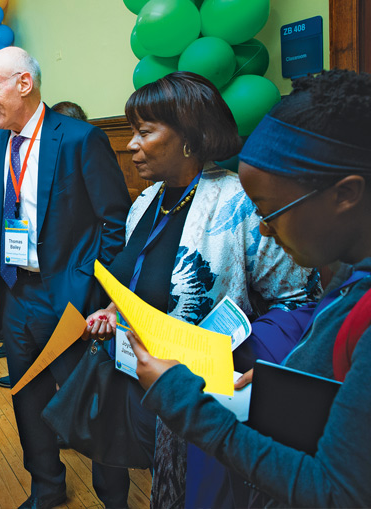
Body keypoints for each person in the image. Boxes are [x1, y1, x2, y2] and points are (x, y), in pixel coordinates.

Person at [124, 69, 371, 508]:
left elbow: (334, 490)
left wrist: (188, 397)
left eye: (270, 210)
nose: (263, 227)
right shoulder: (351, 289)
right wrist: (286, 379)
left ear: (346, 194)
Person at [84, 71, 320, 508]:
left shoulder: (239, 202)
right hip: (140, 385)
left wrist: (220, 351)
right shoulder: (145, 202)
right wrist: (113, 312)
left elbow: (299, 303)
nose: (131, 144)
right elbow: (139, 283)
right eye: (131, 132)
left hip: (202, 393)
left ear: (190, 136)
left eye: (144, 132)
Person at [0, 47, 132, 509]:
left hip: (71, 298)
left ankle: (115, 499)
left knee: (91, 403)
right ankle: (47, 487)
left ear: (24, 84)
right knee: (28, 398)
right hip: (17, 295)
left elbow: (114, 222)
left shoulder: (81, 139)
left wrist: (98, 295)